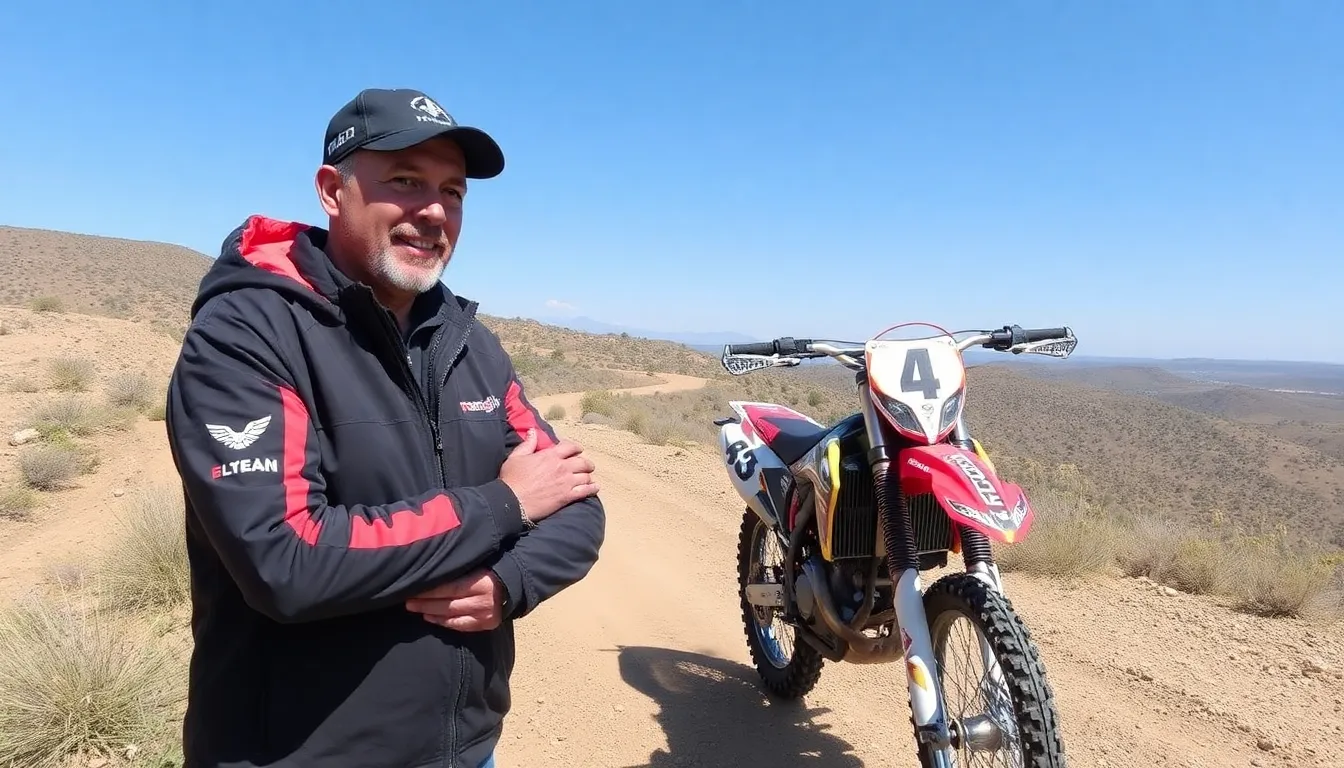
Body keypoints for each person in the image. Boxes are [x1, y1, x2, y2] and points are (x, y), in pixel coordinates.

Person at [164, 87, 606, 768]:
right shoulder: (248, 334)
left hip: (464, 750)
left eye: (452, 191)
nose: (433, 211)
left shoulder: (470, 346)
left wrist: (509, 581)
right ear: (331, 191)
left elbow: (575, 499)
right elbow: (287, 561)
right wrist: (504, 504)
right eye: (404, 181)